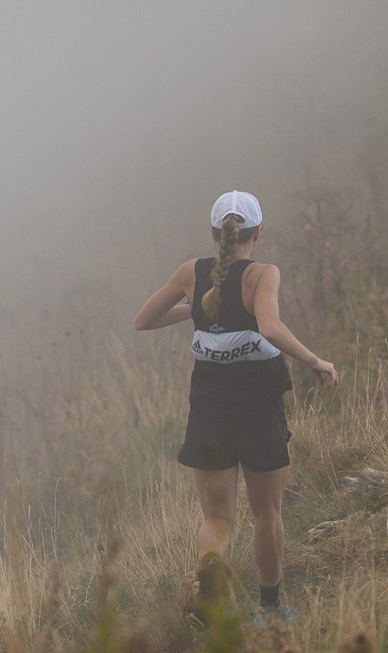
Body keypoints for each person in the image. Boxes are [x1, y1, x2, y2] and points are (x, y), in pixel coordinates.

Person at [134, 190, 338, 626]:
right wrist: (315, 361)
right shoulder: (263, 275)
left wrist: (194, 309)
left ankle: (211, 572)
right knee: (267, 511)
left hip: (209, 407)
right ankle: (271, 609)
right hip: (258, 406)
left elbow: (143, 320)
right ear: (258, 232)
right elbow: (270, 326)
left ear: (214, 233)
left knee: (217, 517)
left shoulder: (191, 272)